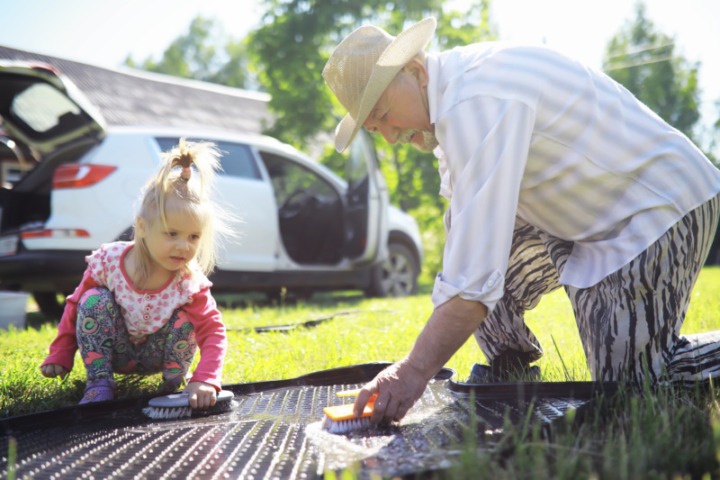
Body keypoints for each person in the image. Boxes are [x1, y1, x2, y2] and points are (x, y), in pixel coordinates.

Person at [322, 17, 720, 424]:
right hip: (586, 214)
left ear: (416, 71)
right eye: (376, 128)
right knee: (466, 240)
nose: (391, 137)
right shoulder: (451, 103)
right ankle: (509, 372)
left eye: (386, 115)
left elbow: (473, 282)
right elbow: (469, 248)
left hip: (657, 210)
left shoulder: (475, 102)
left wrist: (412, 371)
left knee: (630, 394)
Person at [40, 139, 230, 408]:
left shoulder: (188, 281)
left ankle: (173, 385)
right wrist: (60, 352)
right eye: (172, 233)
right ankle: (100, 382)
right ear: (142, 226)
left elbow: (212, 331)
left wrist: (206, 378)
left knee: (189, 318)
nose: (183, 246)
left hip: (159, 357)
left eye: (193, 236)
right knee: (93, 299)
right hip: (114, 351)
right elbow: (75, 304)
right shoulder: (109, 262)